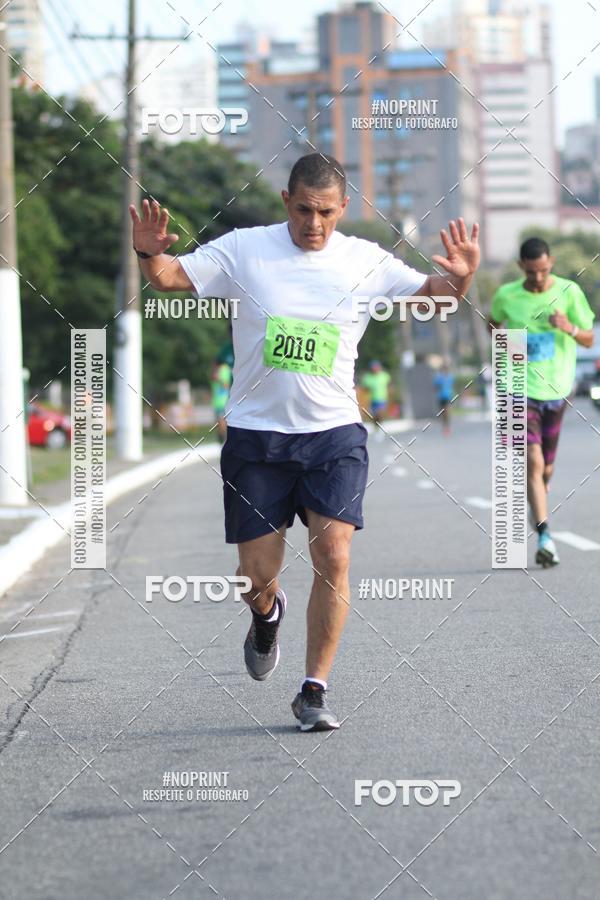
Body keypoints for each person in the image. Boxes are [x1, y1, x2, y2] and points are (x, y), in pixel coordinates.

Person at [129, 153, 480, 731]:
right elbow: (169, 277)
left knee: (334, 554)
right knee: (255, 575)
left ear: (344, 208)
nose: (313, 224)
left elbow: (435, 297)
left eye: (325, 212)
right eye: (301, 210)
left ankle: (314, 688)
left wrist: (463, 275)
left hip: (334, 435)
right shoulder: (244, 249)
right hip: (257, 438)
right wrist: (148, 251)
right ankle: (266, 616)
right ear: (285, 201)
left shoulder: (365, 260)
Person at [489, 237, 595, 568]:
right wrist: (504, 342)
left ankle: (538, 504)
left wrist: (569, 327)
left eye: (545, 270)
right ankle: (545, 536)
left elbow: (590, 338)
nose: (539, 278)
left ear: (551, 265)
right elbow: (493, 323)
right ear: (521, 267)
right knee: (533, 462)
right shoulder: (507, 295)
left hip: (557, 388)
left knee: (545, 468)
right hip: (518, 387)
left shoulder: (569, 292)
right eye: (532, 271)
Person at [360, 360, 391, 440]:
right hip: (372, 400)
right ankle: (377, 429)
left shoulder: (384, 376)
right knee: (374, 417)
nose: (375, 369)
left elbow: (389, 385)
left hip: (382, 399)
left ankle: (380, 429)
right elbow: (365, 388)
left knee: (380, 414)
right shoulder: (368, 377)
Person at [210, 358, 232, 443]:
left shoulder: (224, 370)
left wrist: (218, 379)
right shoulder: (215, 371)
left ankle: (224, 439)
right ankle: (222, 439)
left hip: (223, 401)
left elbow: (226, 384)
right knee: (219, 423)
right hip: (217, 402)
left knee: (222, 421)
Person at [433, 363, 455, 435]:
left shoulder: (450, 377)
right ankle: (444, 427)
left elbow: (452, 386)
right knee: (442, 413)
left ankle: (447, 427)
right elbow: (435, 386)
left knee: (447, 412)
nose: (445, 371)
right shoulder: (439, 378)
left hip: (448, 397)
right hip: (441, 397)